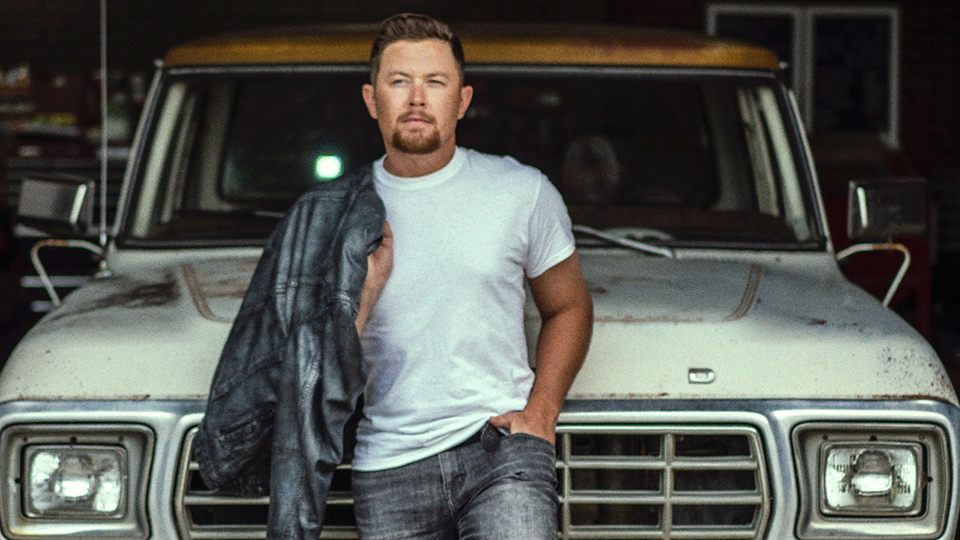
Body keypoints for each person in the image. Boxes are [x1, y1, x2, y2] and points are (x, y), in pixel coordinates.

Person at [351, 13, 594, 540]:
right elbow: (314, 363)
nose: (417, 98)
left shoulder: (521, 191)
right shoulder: (340, 213)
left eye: (435, 82)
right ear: (372, 100)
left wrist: (543, 414)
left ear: (461, 100)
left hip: (500, 452)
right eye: (399, 82)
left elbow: (568, 306)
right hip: (386, 464)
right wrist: (364, 293)